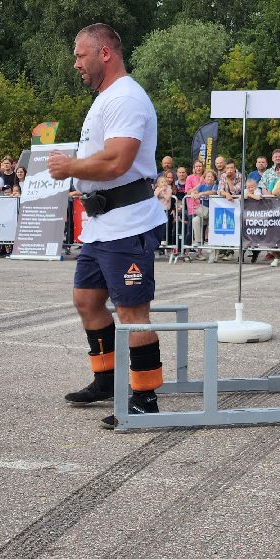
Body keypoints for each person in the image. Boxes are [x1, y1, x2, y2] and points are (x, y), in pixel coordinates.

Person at [47, 24, 166, 430]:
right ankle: (106, 380)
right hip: (102, 224)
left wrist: (69, 167)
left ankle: (145, 397)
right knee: (86, 299)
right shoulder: (105, 98)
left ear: (104, 54)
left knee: (133, 312)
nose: (76, 63)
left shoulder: (127, 97)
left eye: (81, 55)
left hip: (127, 222)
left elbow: (117, 161)